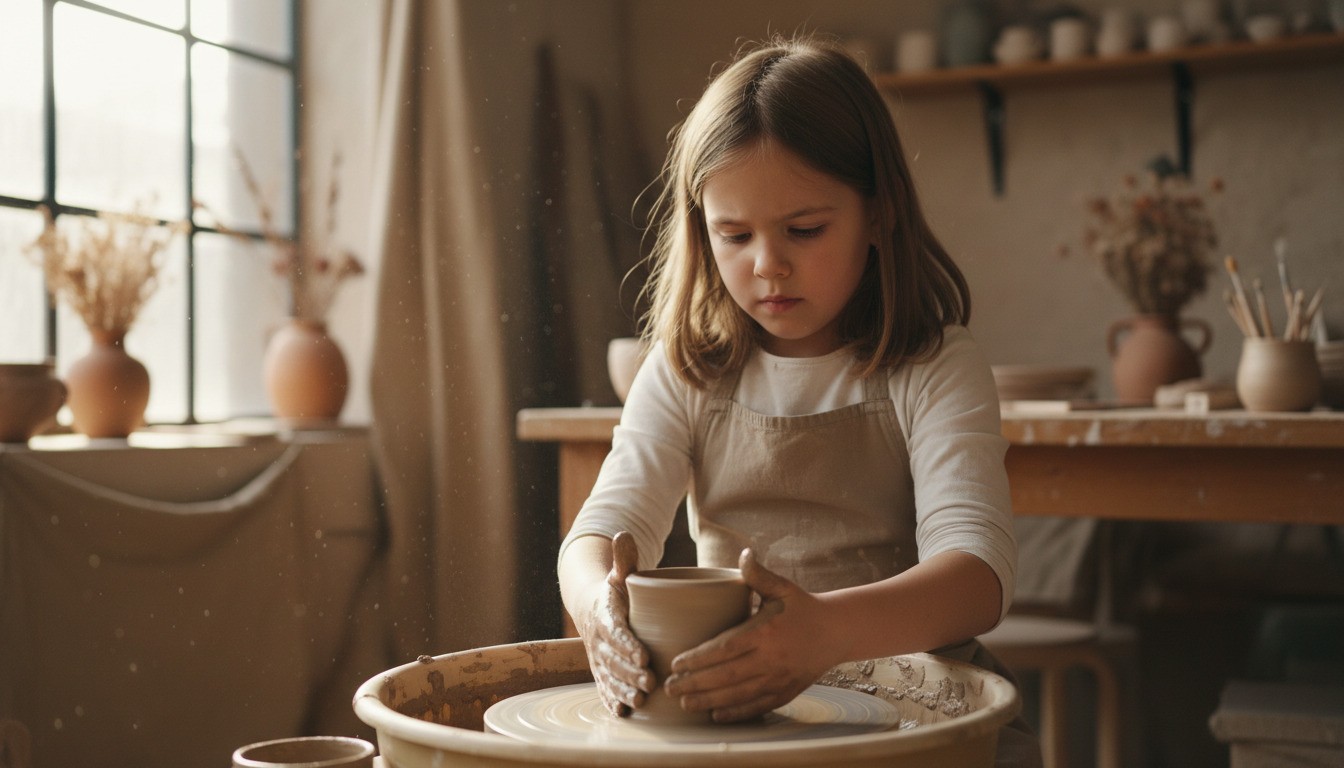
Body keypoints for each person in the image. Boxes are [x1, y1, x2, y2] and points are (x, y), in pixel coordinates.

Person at [557, 36, 1038, 765]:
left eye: (804, 230)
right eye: (734, 234)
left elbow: (977, 577)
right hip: (744, 715)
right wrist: (598, 605)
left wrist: (823, 633)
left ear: (879, 214)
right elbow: (600, 530)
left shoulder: (933, 366)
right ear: (701, 230)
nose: (768, 265)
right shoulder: (686, 370)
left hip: (919, 708)